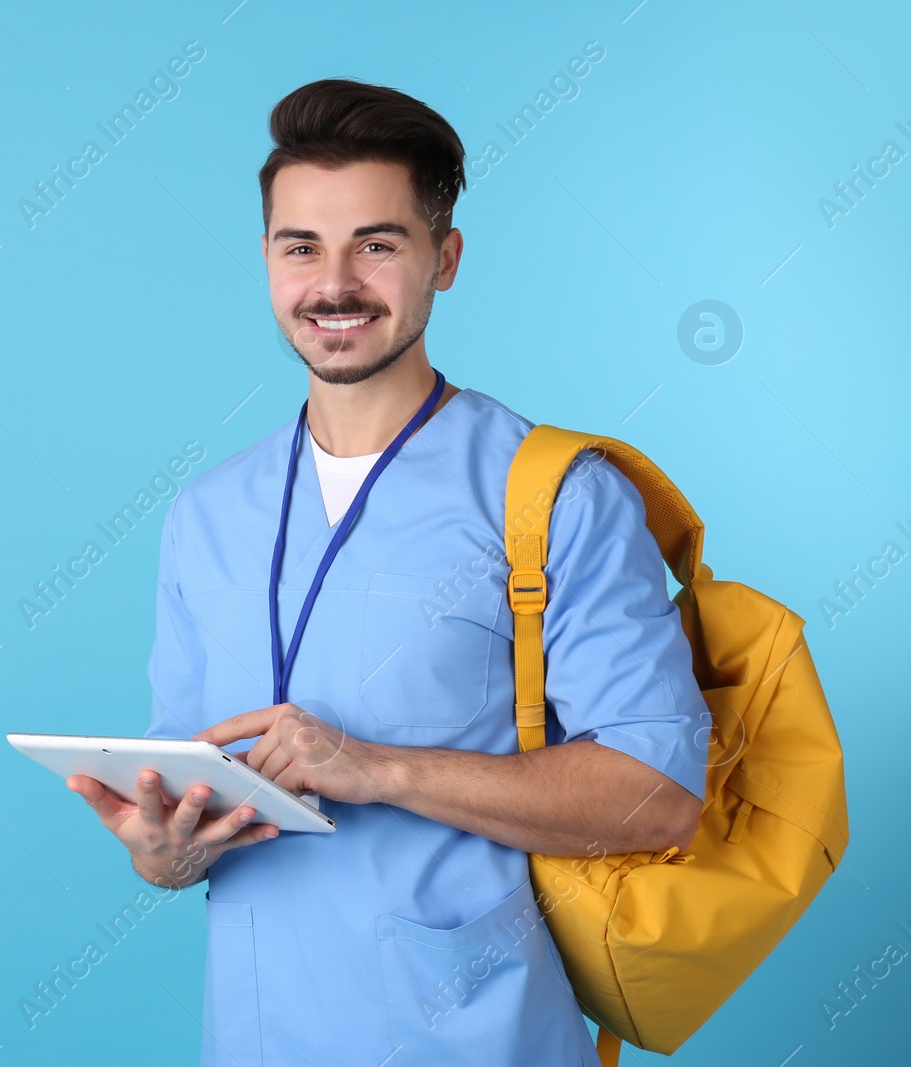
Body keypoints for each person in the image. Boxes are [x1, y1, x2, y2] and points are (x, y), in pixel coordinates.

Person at [65, 79, 709, 1066]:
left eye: (377, 243)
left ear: (442, 260)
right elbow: (182, 803)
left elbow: (657, 792)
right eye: (299, 247)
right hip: (254, 1037)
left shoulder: (552, 495)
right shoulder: (206, 515)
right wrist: (164, 851)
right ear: (268, 262)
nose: (334, 283)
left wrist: (382, 768)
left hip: (481, 1038)